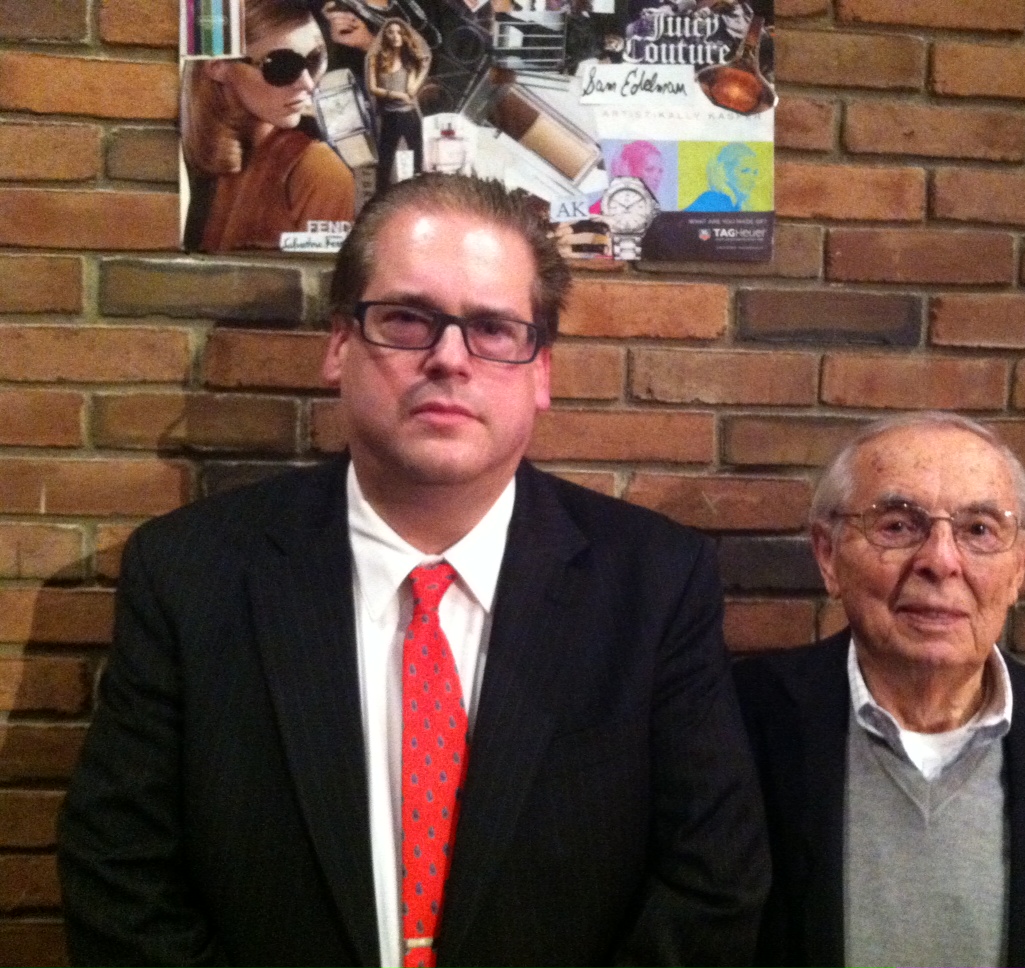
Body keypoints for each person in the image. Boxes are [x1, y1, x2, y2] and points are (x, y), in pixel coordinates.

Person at [58, 173, 770, 968]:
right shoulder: (191, 573)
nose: (450, 360)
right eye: (407, 319)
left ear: (541, 372)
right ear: (339, 345)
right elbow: (119, 873)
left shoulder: (655, 582)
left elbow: (712, 879)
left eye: (495, 329)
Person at [733, 412, 1025, 968]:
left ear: (1021, 566)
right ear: (828, 556)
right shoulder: (734, 726)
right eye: (897, 525)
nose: (941, 562)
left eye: (979, 531)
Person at [181, 0, 356, 252]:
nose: (307, 84)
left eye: (315, 58)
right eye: (282, 66)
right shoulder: (221, 167)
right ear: (217, 66)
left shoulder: (317, 169)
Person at [367, 19, 432, 189]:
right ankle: (381, 201)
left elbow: (411, 92)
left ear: (404, 36)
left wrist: (423, 70)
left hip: (410, 116)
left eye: (399, 32)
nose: (395, 36)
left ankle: (416, 199)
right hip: (390, 117)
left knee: (416, 162)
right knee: (384, 163)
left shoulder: (409, 61)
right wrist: (396, 95)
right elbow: (372, 88)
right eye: (390, 32)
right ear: (385, 35)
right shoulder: (375, 58)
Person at [685, 142, 758, 212]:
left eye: (755, 173)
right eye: (745, 171)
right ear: (725, 172)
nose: (752, 179)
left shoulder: (737, 205)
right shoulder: (714, 200)